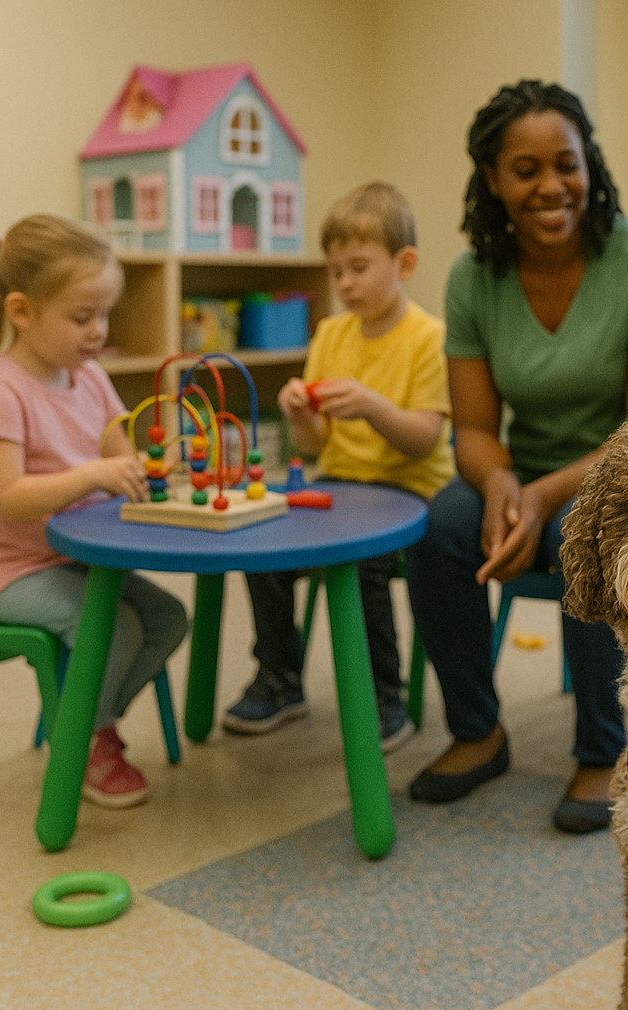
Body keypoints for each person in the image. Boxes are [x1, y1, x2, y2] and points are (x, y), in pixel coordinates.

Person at [405, 79, 628, 834]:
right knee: (440, 526)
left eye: (565, 163)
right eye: (525, 169)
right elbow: (471, 427)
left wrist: (539, 499)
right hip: (527, 473)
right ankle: (478, 733)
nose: (550, 186)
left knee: (583, 527)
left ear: (590, 165)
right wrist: (502, 481)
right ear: (493, 182)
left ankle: (604, 749)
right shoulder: (473, 277)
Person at [0, 213, 188, 808]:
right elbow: (10, 498)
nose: (97, 331)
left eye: (103, 315)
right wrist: (93, 474)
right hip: (13, 568)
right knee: (112, 627)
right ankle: (84, 741)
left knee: (167, 618)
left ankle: (84, 720)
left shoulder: (88, 377)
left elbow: (117, 447)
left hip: (78, 558)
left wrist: (147, 468)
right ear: (21, 311)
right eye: (81, 317)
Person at [222, 182, 455, 750]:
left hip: (410, 491)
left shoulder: (429, 338)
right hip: (338, 487)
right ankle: (280, 678)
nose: (346, 283)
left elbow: (424, 441)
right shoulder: (330, 332)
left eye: (358, 267)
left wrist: (374, 407)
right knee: (265, 541)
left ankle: (384, 699)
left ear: (404, 264)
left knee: (366, 564)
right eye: (336, 272)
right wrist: (298, 413)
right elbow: (311, 445)